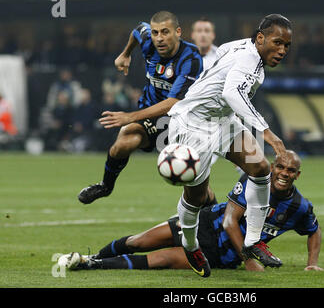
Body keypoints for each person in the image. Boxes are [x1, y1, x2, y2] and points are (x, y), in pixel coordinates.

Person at [99, 14, 292, 277]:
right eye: (277, 42)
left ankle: (252, 242)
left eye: (286, 46)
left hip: (222, 119)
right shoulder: (248, 60)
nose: (281, 50)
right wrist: (269, 134)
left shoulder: (242, 48)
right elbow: (231, 93)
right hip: (193, 124)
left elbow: (223, 54)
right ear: (260, 38)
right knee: (197, 197)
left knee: (259, 168)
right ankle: (191, 246)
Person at [62, 151, 323, 272]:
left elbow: (314, 230)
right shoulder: (253, 180)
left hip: (218, 255)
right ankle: (94, 257)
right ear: (274, 167)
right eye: (280, 168)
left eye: (290, 171)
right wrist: (250, 260)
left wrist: (312, 264)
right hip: (205, 223)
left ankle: (89, 265)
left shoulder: (299, 207)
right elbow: (229, 223)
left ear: (297, 175)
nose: (284, 174)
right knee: (138, 241)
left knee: (161, 260)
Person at [78, 11, 217, 206]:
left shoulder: (191, 58)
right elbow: (137, 30)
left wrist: (129, 116)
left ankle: (212, 214)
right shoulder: (148, 41)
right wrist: (125, 54)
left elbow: (173, 102)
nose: (159, 38)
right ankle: (105, 186)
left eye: (165, 32)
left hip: (182, 121)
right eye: (155, 33)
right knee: (122, 144)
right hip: (152, 113)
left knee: (193, 183)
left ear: (178, 32)